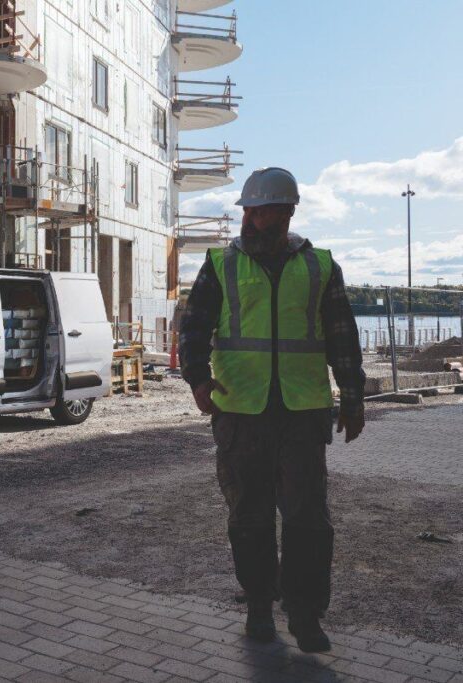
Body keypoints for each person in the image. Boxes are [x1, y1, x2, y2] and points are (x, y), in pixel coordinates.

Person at [179, 167, 366, 653]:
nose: (253, 219)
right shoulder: (221, 264)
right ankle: (260, 606)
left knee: (307, 518)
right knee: (249, 516)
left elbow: (343, 335)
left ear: (287, 212)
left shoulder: (320, 265)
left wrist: (352, 395)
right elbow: (193, 327)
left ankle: (305, 615)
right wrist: (197, 378)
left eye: (262, 211)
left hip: (302, 412)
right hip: (240, 411)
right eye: (249, 211)